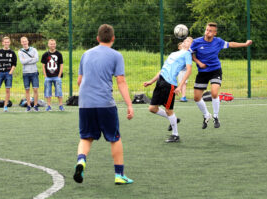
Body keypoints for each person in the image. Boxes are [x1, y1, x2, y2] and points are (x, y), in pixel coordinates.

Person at [73, 24, 134, 185]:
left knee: (86, 138)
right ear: (113, 38)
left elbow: (79, 81)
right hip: (105, 103)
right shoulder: (116, 56)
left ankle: (81, 161)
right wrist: (129, 104)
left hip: (85, 104)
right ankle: (119, 175)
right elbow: (120, 81)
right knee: (115, 138)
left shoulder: (85, 54)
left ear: (97, 38)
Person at [190, 22, 252, 129]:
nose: (207, 32)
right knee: (196, 98)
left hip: (215, 70)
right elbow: (189, 53)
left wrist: (245, 44)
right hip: (202, 72)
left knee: (214, 93)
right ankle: (206, 115)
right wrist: (198, 62)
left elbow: (231, 44)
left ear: (215, 33)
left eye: (210, 31)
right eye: (206, 29)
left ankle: (216, 117)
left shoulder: (218, 41)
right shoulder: (196, 42)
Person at [143, 37, 193, 143]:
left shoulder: (187, 54)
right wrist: (151, 81)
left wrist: (180, 86)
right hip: (160, 81)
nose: (186, 41)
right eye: (185, 40)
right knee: (152, 108)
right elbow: (163, 69)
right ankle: (174, 119)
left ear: (191, 46)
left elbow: (189, 71)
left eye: (189, 41)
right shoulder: (173, 54)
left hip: (169, 84)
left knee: (168, 110)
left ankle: (175, 135)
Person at [41, 39, 64, 111]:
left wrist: (59, 75)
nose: (52, 45)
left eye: (54, 44)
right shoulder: (45, 54)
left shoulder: (59, 54)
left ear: (56, 44)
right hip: (48, 77)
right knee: (48, 91)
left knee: (59, 91)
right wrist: (45, 75)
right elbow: (43, 66)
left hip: (57, 76)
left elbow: (61, 65)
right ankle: (48, 105)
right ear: (48, 45)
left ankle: (60, 105)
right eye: (51, 44)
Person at [18, 36, 39, 112]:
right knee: (27, 90)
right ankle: (29, 106)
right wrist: (31, 59)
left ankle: (36, 105)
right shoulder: (20, 51)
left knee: (35, 89)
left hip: (34, 72)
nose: (24, 42)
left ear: (28, 41)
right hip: (25, 73)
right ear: (21, 43)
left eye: (25, 41)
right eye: (23, 41)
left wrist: (26, 60)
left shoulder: (34, 50)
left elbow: (36, 59)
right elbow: (22, 62)